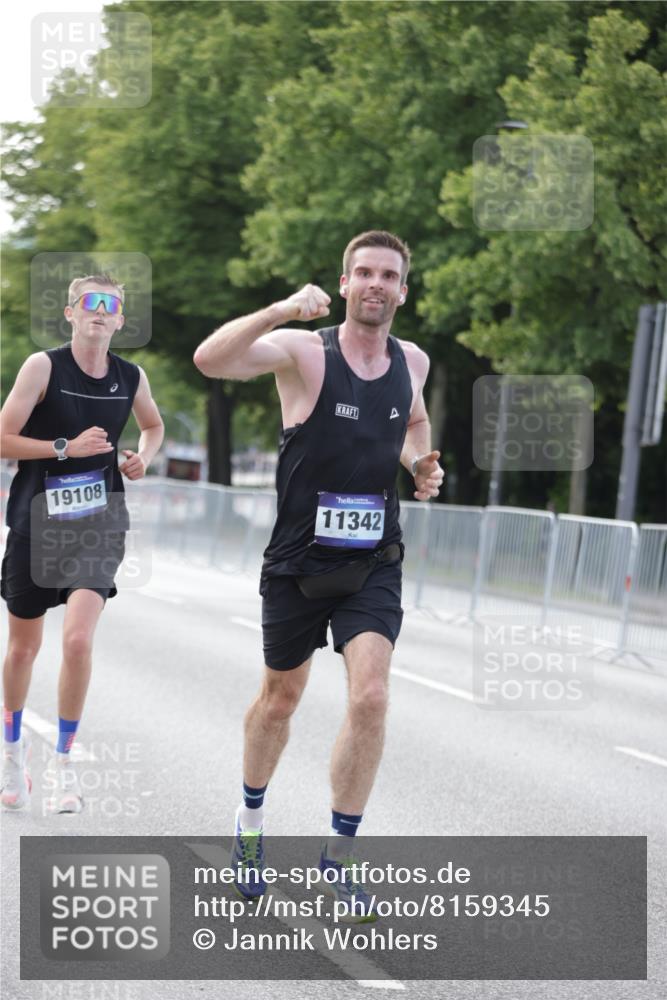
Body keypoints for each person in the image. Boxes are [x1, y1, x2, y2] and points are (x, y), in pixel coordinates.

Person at [194, 231, 443, 920]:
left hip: (373, 561)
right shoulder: (305, 352)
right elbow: (211, 359)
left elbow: (414, 420)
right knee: (280, 701)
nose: (375, 284)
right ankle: (250, 826)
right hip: (298, 561)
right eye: (363, 272)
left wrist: (419, 464)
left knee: (371, 696)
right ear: (343, 284)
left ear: (402, 290)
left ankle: (340, 855)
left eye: (387, 275)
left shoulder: (413, 361)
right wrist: (279, 309)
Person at [0, 274, 164, 813]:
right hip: (36, 524)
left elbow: (153, 426)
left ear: (120, 320)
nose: (100, 310)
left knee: (76, 641)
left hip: (99, 524)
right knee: (23, 649)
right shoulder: (42, 367)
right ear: (70, 313)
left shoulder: (130, 376)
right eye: (89, 302)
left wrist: (143, 457)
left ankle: (63, 766)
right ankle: (12, 753)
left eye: (110, 304)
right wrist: (63, 448)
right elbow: (3, 438)